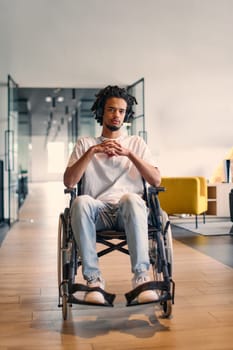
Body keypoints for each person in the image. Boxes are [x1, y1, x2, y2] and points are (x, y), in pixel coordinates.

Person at [63, 85, 161, 304]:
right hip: (97, 212)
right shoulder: (85, 144)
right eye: (111, 109)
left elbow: (155, 180)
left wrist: (128, 154)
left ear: (126, 115)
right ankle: (94, 281)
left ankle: (142, 278)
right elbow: (69, 182)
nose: (116, 115)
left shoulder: (136, 143)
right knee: (80, 201)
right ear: (101, 111)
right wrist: (92, 152)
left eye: (121, 111)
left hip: (130, 211)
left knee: (131, 198)